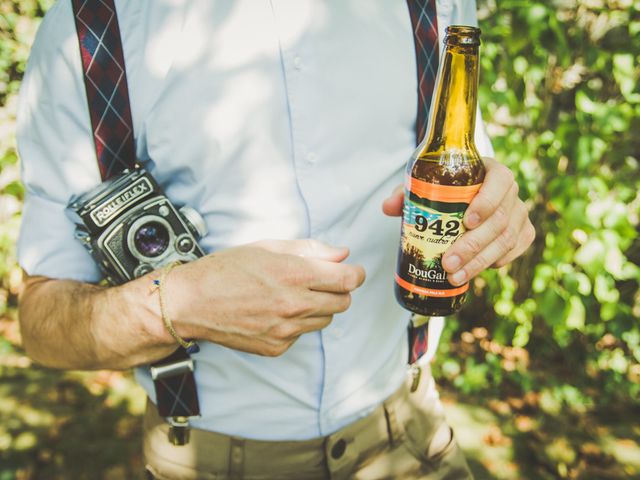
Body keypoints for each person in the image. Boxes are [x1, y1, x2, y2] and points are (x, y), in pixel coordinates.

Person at [16, 1, 535, 479]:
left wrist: (498, 216)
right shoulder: (88, 29)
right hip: (210, 460)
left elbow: (462, 167)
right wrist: (180, 303)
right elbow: (42, 323)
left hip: (411, 436)